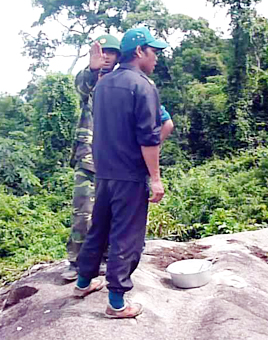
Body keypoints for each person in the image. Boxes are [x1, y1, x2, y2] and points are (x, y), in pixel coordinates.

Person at [72, 27, 169, 319]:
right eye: (153, 52)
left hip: (103, 173)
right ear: (139, 52)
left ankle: (82, 283)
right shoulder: (143, 86)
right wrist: (155, 178)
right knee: (127, 237)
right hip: (129, 175)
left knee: (99, 229)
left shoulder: (103, 84)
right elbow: (149, 138)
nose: (156, 59)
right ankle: (116, 303)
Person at [63, 35, 121, 281]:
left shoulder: (123, 80)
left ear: (119, 56)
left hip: (115, 161)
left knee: (112, 213)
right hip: (88, 158)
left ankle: (107, 258)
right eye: (101, 51)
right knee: (82, 212)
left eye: (111, 52)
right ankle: (77, 262)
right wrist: (92, 69)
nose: (106, 55)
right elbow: (82, 87)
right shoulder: (88, 80)